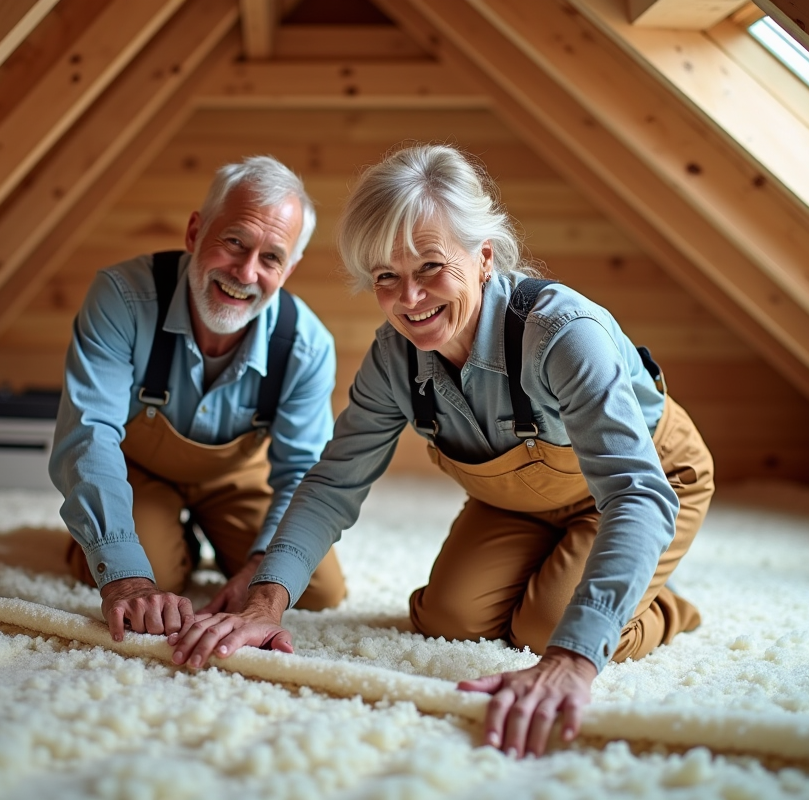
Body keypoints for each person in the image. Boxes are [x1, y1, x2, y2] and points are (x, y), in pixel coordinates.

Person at [169, 145, 715, 758]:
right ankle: (580, 575)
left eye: (430, 266)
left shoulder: (564, 336)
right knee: (449, 619)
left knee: (546, 630)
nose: (410, 298)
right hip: (519, 504)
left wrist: (573, 658)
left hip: (647, 484)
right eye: (386, 277)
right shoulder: (392, 359)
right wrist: (264, 604)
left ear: (483, 257)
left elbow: (636, 492)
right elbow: (332, 484)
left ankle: (660, 604)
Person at [49, 155, 346, 642]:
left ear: (289, 268)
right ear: (194, 233)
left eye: (271, 258)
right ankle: (132, 536)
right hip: (138, 472)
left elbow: (302, 474)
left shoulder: (307, 346)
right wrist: (124, 576)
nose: (246, 272)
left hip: (236, 479)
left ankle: (200, 537)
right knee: (147, 575)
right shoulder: (122, 297)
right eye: (234, 242)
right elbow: (88, 432)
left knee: (315, 588)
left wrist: (261, 578)